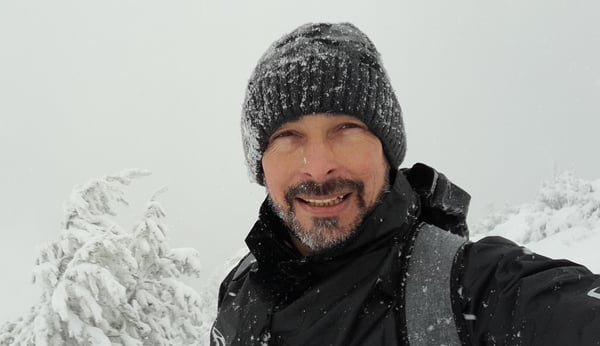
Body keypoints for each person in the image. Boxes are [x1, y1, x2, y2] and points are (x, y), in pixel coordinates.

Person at [211, 22, 600, 345]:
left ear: (387, 151)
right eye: (288, 137)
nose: (317, 167)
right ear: (261, 163)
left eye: (346, 128)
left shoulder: (473, 292)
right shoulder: (241, 285)